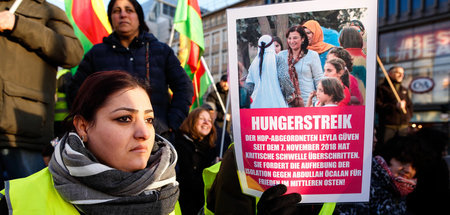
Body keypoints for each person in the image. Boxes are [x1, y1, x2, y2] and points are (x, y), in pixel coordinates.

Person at [0, 71, 179, 214]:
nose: (144, 133)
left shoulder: (167, 190)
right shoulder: (19, 201)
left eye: (149, 120)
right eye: (124, 118)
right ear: (83, 127)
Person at [68, 0, 193, 139]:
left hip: (156, 136)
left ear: (139, 17)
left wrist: (170, 123)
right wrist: (93, 125)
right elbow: (75, 92)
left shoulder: (161, 51)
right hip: (110, 140)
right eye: (116, 11)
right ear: (111, 19)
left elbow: (184, 87)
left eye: (129, 10)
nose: (123, 15)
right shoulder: (96, 54)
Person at [0, 0, 84, 188]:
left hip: (21, 130)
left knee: (28, 201)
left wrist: (18, 24)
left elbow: (72, 52)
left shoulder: (47, 11)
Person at [336, 135, 420, 214]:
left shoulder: (405, 193)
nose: (408, 170)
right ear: (387, 158)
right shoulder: (365, 186)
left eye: (414, 166)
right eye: (403, 161)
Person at [174, 107, 216, 215]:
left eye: (210, 120)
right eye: (202, 118)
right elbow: (189, 180)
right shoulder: (181, 145)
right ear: (192, 121)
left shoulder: (210, 147)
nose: (207, 122)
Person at [277, 25, 323, 107]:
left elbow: (319, 78)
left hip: (308, 102)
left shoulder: (312, 55)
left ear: (302, 39)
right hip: (287, 102)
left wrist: (320, 100)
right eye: (289, 38)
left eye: (295, 38)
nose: (292, 41)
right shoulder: (281, 56)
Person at [245, 35, 288, 108]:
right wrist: (290, 94)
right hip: (277, 104)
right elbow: (284, 78)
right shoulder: (278, 59)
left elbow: (249, 86)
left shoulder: (254, 63)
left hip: (257, 105)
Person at [375, 66, 413, 146]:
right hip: (388, 126)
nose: (401, 75)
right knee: (386, 148)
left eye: (402, 73)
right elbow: (378, 106)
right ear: (390, 74)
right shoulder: (381, 88)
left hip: (403, 126)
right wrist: (394, 106)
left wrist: (407, 117)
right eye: (398, 73)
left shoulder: (404, 90)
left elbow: (410, 106)